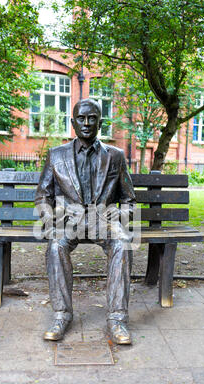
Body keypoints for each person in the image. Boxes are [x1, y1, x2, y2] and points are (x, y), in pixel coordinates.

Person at [35, 98, 136, 344]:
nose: (87, 123)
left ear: (100, 123)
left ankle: (117, 319)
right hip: (70, 220)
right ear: (73, 122)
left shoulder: (115, 156)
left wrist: (121, 216)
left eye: (93, 118)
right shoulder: (56, 155)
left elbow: (129, 199)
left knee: (122, 245)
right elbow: (42, 195)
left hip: (103, 220)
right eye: (81, 118)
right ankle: (61, 315)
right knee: (56, 246)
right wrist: (49, 219)